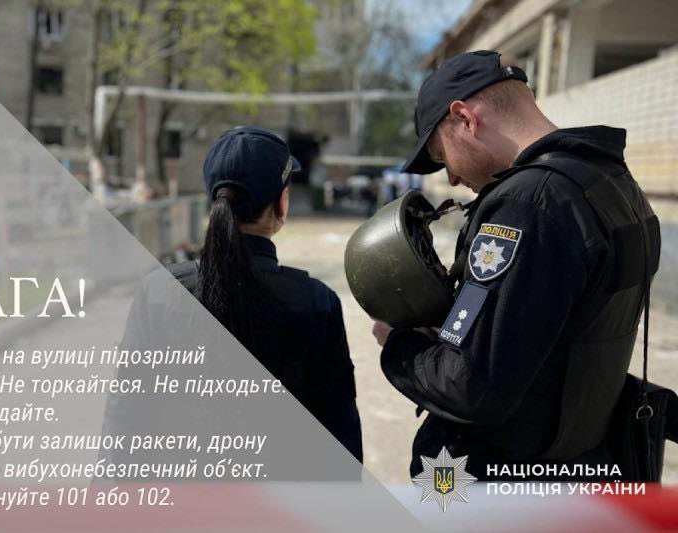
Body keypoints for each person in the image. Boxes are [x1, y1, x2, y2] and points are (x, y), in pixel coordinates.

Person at [372, 51, 660, 480]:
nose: (451, 178)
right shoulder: (614, 183)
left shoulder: (528, 204)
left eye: (442, 155)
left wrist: (399, 343)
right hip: (577, 462)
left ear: (465, 119)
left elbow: (473, 387)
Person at [179, 126, 363, 462]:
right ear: (282, 202)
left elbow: (126, 423)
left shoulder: (160, 291)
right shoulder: (317, 303)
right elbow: (340, 437)